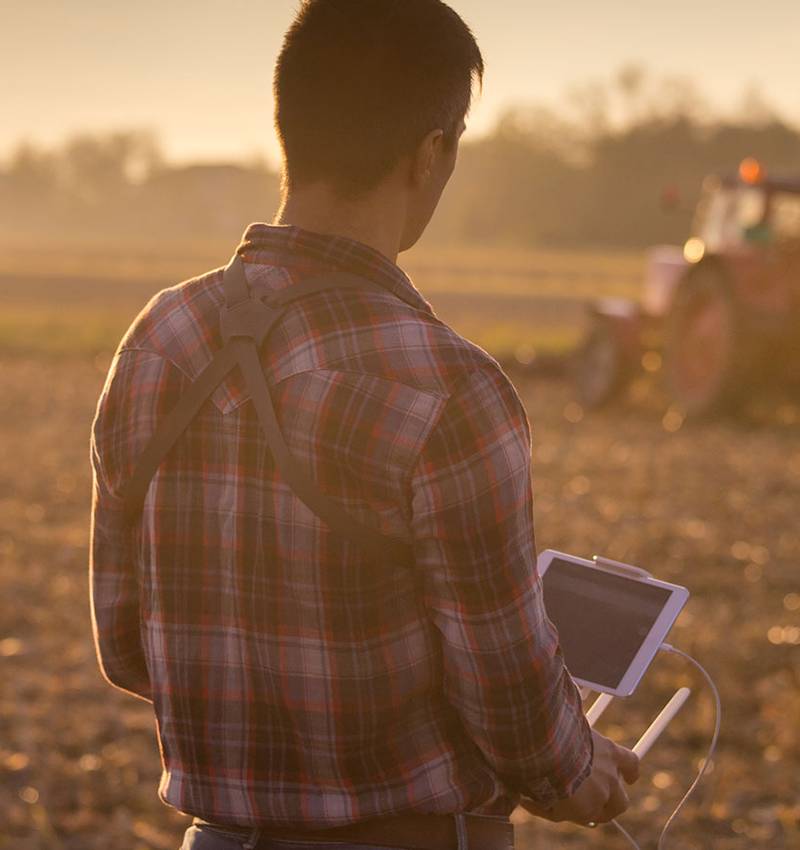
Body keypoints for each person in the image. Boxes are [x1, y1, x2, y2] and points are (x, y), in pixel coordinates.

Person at [88, 1, 639, 849]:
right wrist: (577, 769)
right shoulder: (449, 385)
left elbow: (126, 647)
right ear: (431, 152)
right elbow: (506, 692)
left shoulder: (158, 339)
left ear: (290, 125)